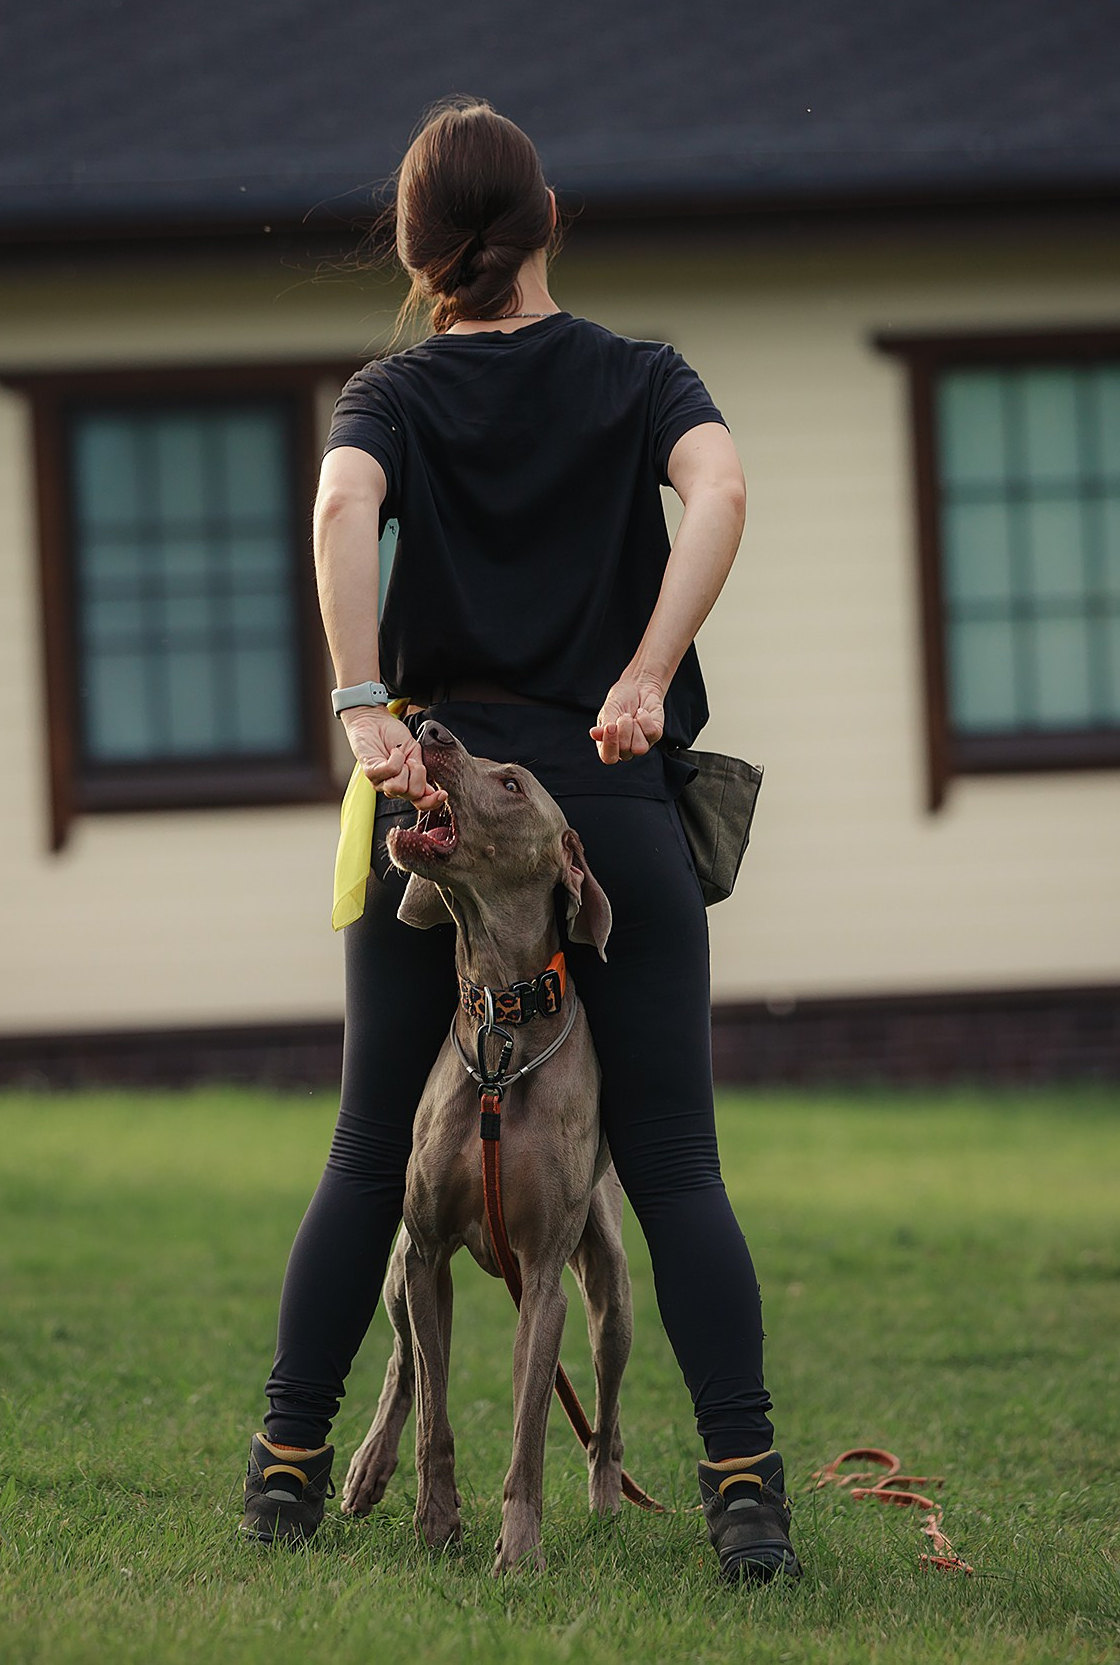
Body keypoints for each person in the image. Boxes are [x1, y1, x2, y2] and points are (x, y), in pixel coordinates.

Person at [240, 98, 796, 1584]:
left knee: (371, 1149)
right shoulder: (638, 375)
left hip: (436, 799)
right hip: (602, 799)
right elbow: (724, 490)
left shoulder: (395, 393)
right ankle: (747, 1499)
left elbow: (339, 501)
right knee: (676, 1165)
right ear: (552, 221)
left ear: (420, 258)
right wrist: (644, 674)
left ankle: (288, 1471)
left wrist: (365, 705)